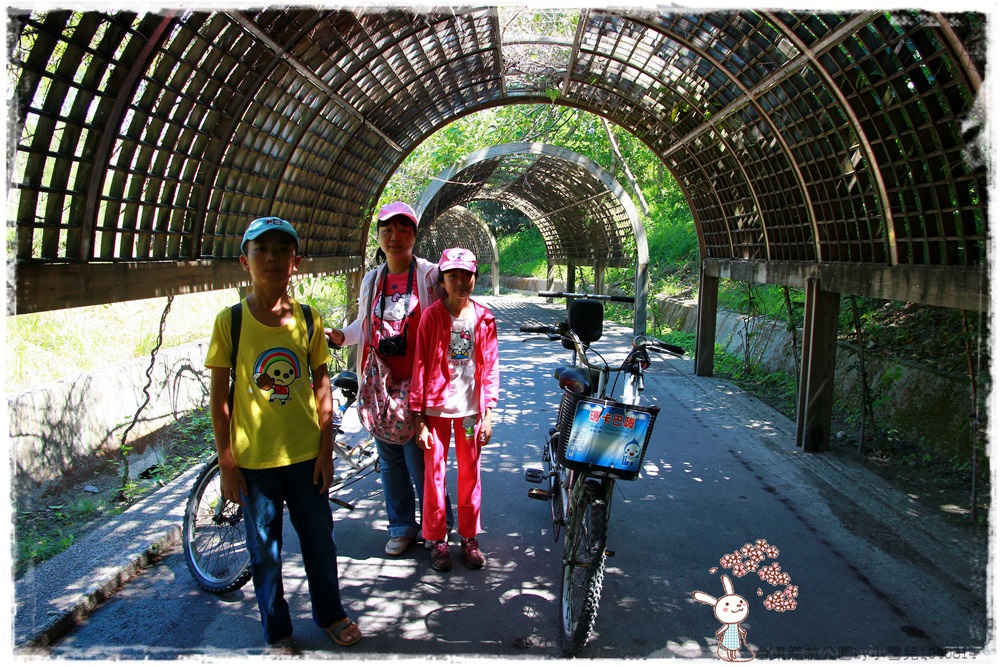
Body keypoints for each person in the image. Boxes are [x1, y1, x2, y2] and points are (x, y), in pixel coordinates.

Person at [205, 217, 362, 651]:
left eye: (281, 249)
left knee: (319, 543)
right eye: (261, 249)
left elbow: (322, 386)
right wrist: (227, 463)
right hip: (254, 463)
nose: (271, 257)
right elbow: (220, 402)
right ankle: (278, 631)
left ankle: (331, 614)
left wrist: (327, 451)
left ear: (296, 262)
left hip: (306, 456)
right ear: (245, 261)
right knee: (265, 554)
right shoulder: (231, 322)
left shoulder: (309, 319)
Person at [326, 201, 453, 557]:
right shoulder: (373, 279)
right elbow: (366, 324)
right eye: (387, 230)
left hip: (420, 381)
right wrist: (342, 336)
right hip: (381, 384)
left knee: (420, 459)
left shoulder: (429, 275)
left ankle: (437, 525)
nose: (394, 237)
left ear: (414, 234)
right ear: (378, 236)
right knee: (391, 459)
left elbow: (451, 317)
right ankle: (401, 526)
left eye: (403, 229)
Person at [410, 247, 500, 571]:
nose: (460, 281)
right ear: (443, 281)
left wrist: (488, 412)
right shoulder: (432, 317)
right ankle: (436, 540)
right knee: (434, 476)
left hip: (469, 413)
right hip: (436, 411)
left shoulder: (484, 318)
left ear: (475, 278)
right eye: (453, 275)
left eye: (466, 275)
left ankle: (469, 538)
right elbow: (420, 366)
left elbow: (490, 368)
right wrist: (419, 418)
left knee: (469, 474)